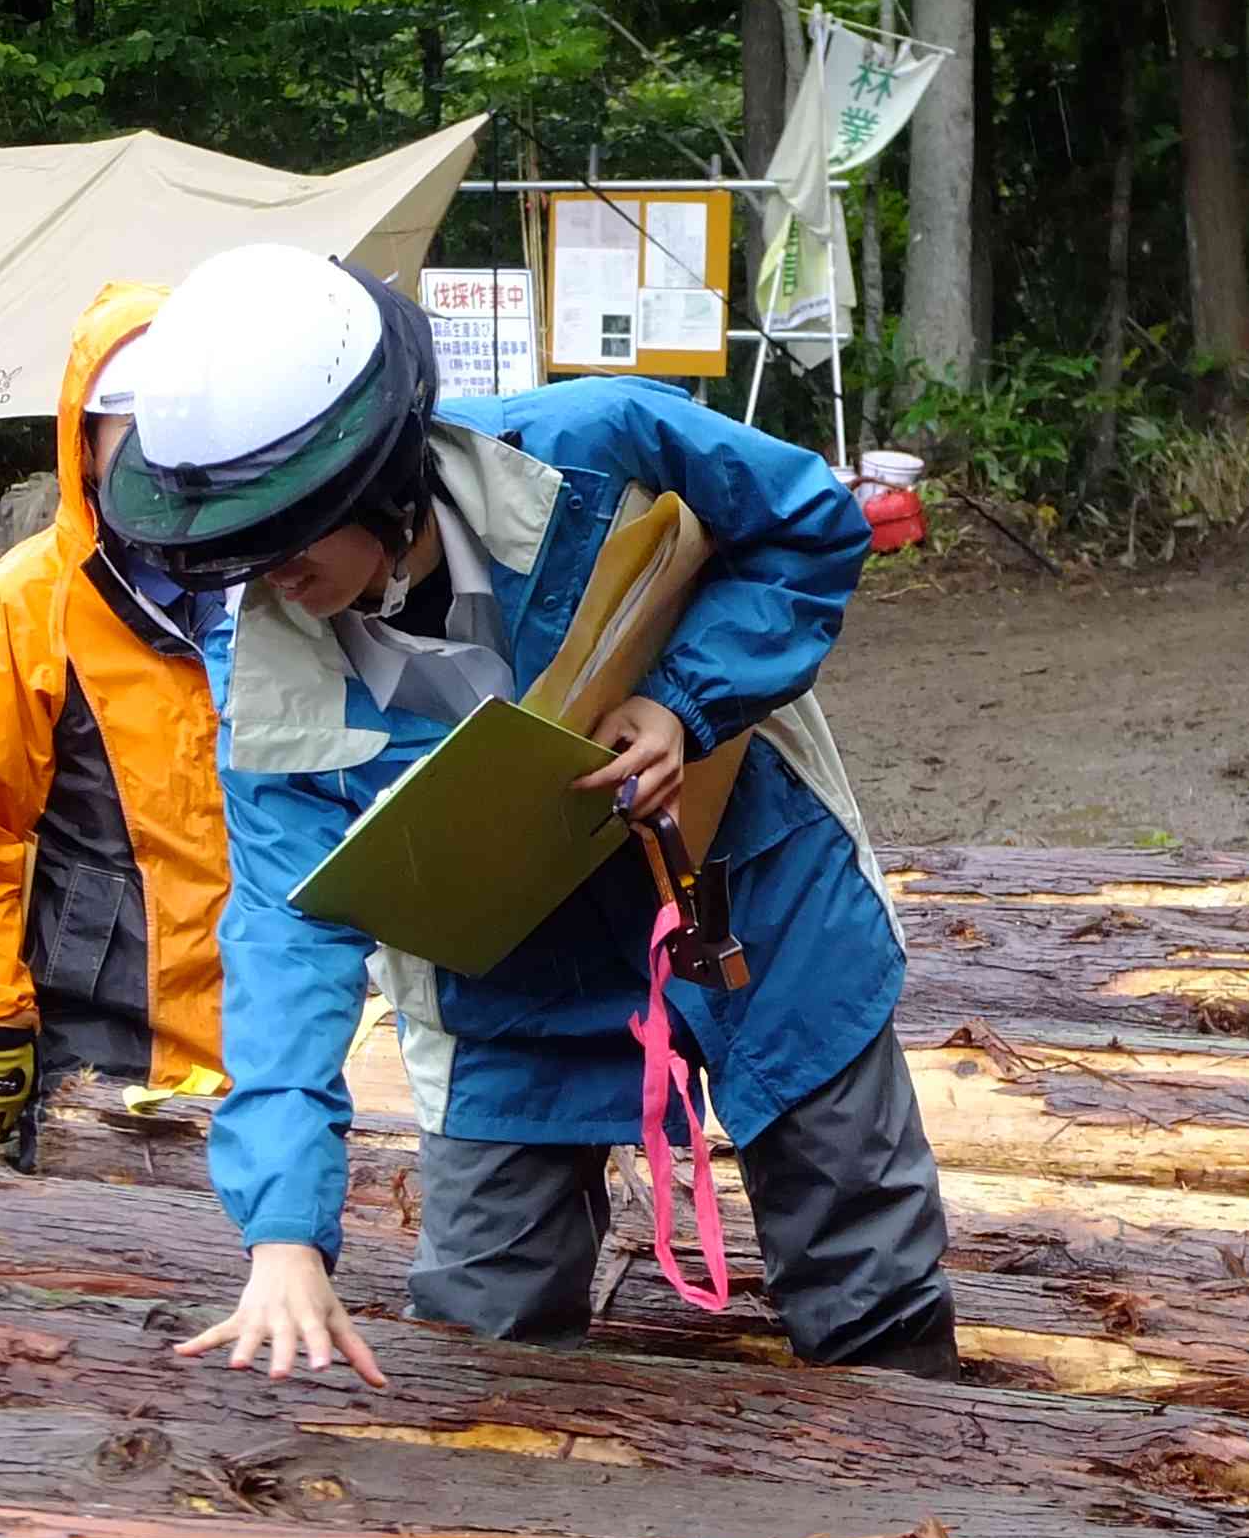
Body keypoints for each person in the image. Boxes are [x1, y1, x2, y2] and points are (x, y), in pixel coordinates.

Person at [108, 247, 953, 1391]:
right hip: (500, 972)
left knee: (866, 1259)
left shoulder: (597, 443)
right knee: (484, 1331)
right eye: (231, 554)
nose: (262, 580)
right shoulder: (263, 673)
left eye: (282, 542)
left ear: (373, 482)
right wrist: (284, 1234)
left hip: (742, 886)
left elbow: (807, 527)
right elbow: (284, 932)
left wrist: (683, 702)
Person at [0, 288, 229, 1166]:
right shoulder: (15, 609)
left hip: (275, 1019)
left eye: (183, 419)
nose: (162, 453)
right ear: (83, 441)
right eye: (133, 425)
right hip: (107, 1021)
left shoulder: (277, 582)